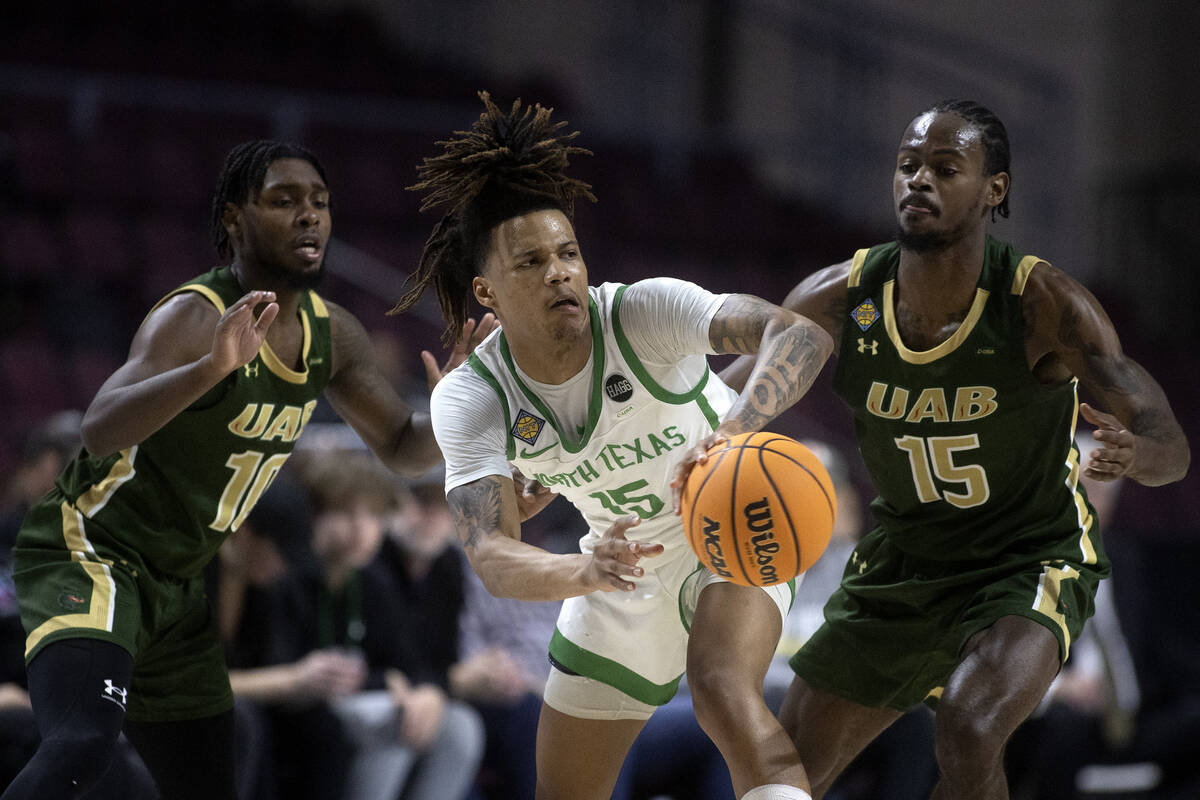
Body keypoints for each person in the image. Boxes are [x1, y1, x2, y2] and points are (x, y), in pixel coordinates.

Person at [722, 99, 1189, 799]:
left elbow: (1170, 443)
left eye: (946, 168)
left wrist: (1135, 456)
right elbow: (718, 406)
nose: (919, 181)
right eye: (908, 166)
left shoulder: (1042, 304)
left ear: (993, 188)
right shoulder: (841, 297)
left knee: (969, 729)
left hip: (1028, 554)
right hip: (906, 559)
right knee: (784, 774)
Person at [3, 139, 493, 800]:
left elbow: (404, 448)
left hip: (176, 585)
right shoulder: (195, 315)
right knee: (83, 741)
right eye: (284, 201)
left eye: (319, 202)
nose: (309, 216)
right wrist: (210, 370)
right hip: (92, 553)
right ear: (235, 220)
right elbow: (99, 428)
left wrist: (457, 407)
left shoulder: (334, 335)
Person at [391, 92, 835, 800]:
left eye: (568, 252)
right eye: (531, 261)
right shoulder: (473, 396)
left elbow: (799, 335)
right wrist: (583, 572)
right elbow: (492, 556)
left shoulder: (642, 311)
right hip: (619, 567)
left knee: (720, 689)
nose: (560, 271)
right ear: (488, 291)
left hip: (731, 529)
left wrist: (732, 435)